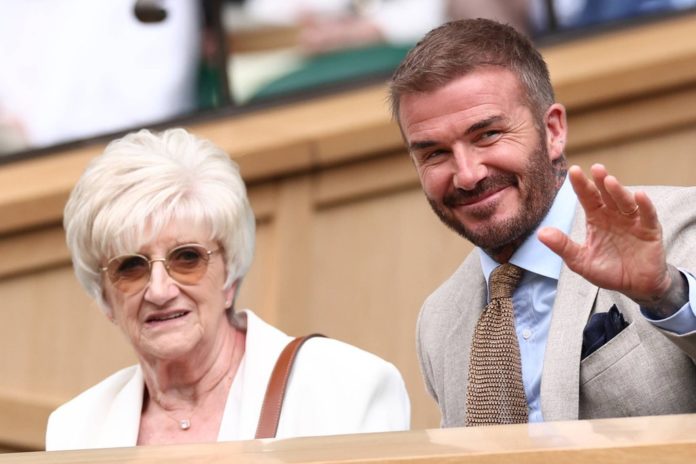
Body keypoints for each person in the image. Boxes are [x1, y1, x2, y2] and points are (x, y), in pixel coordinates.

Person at [389, 18, 696, 426]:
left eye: (488, 135)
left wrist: (665, 294)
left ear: (552, 131)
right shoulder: (439, 320)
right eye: (435, 154)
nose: (467, 174)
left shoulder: (676, 224)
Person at [45, 128, 410, 450]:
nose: (159, 290)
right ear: (105, 297)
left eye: (186, 258)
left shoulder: (346, 386)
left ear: (230, 276)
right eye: (131, 267)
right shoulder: (76, 429)